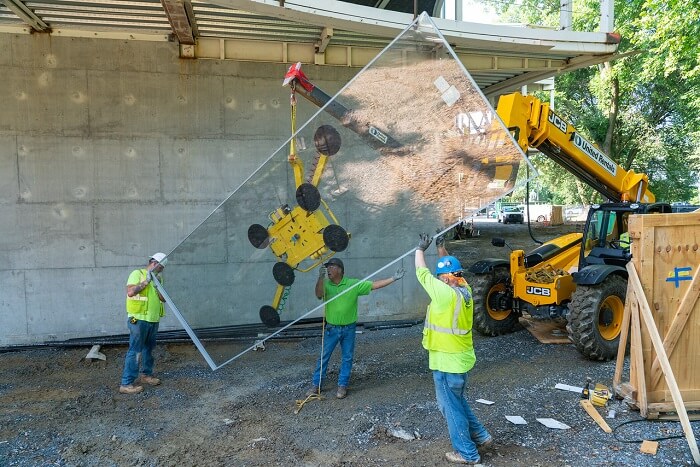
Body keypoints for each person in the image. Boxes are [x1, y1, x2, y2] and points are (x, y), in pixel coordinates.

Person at [415, 233, 491, 464]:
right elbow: (449, 265)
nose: (438, 280)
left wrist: (419, 250)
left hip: (448, 362)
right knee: (455, 402)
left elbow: (421, 273)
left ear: (446, 279)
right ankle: (480, 435)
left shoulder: (444, 294)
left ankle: (467, 453)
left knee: (451, 408)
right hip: (455, 360)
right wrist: (441, 247)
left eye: (441, 277)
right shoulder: (463, 287)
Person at [308, 257, 405, 399]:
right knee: (323, 357)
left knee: (347, 357)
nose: (328, 269)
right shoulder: (326, 285)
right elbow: (318, 294)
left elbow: (374, 285)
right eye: (327, 267)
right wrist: (320, 277)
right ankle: (316, 385)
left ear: (340, 270)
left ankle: (342, 386)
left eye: (331, 267)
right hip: (331, 329)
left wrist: (393, 278)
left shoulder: (352, 284)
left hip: (349, 329)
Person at [119, 252, 168, 395]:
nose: (161, 270)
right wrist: (146, 281)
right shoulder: (137, 274)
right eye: (160, 268)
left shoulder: (158, 278)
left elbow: (163, 299)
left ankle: (147, 375)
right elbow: (130, 292)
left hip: (153, 319)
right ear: (153, 263)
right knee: (135, 350)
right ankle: (126, 383)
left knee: (149, 350)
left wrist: (157, 284)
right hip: (138, 319)